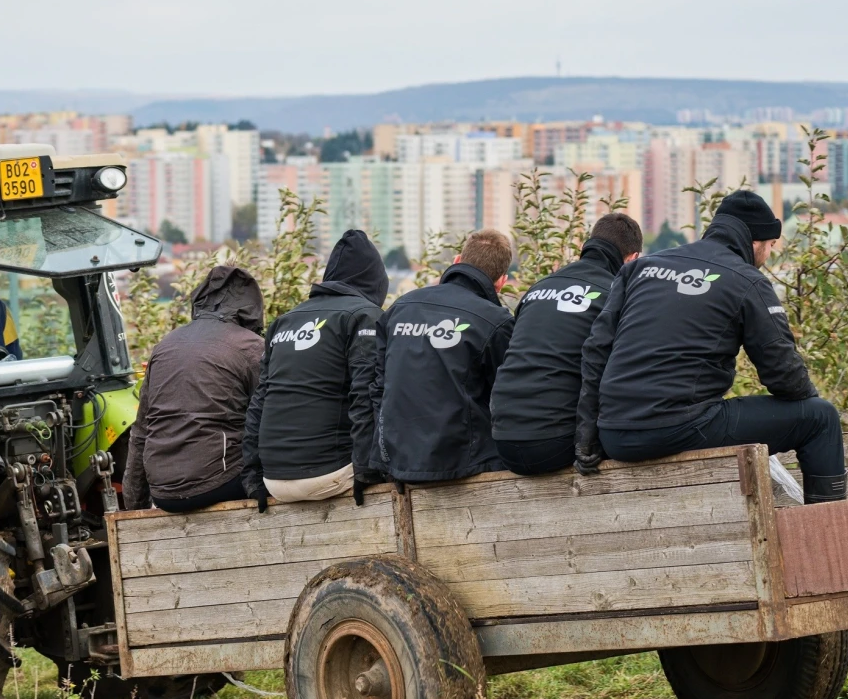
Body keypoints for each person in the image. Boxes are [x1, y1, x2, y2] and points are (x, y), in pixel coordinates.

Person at [575, 190, 846, 503]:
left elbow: (596, 350)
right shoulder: (747, 280)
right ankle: (828, 535)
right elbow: (784, 376)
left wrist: (587, 433)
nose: (769, 255)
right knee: (821, 418)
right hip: (675, 429)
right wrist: (807, 399)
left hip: (615, 434)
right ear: (755, 242)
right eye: (771, 246)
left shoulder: (640, 268)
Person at [242, 229, 387, 509]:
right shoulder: (364, 316)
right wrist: (367, 471)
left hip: (273, 480)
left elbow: (258, 404)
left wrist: (252, 478)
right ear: (375, 282)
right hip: (329, 473)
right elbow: (367, 397)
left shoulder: (284, 321)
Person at [489, 213, 642, 475]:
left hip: (503, 440)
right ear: (633, 258)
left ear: (588, 244)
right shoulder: (617, 294)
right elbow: (611, 375)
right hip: (555, 443)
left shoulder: (538, 289)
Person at [373, 229, 514, 483]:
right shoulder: (496, 321)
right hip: (463, 464)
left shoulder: (401, 307)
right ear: (502, 281)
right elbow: (506, 397)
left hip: (397, 462)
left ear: (457, 261)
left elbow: (377, 385)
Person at [122, 266, 265, 513]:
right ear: (251, 307)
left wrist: (135, 511)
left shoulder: (164, 346)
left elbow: (141, 432)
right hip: (218, 483)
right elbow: (272, 421)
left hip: (162, 491)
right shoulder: (251, 347)